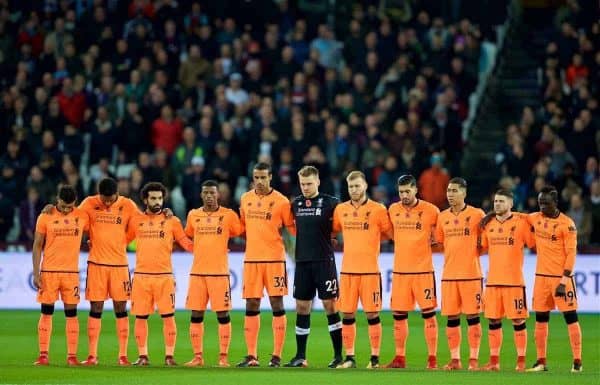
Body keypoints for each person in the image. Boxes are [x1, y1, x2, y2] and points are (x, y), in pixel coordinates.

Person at [126, 182, 193, 366]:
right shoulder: (136, 220)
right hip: (141, 277)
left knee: (168, 317)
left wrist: (206, 249)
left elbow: (186, 243)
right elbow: (122, 240)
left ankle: (169, 356)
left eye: (160, 198)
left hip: (164, 277)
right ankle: (143, 356)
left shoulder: (173, 221)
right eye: (153, 198)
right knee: (140, 317)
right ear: (145, 199)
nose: (157, 202)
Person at [237, 162, 296, 367]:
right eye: (256, 177)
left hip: (274, 260)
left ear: (271, 177)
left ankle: (276, 356)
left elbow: (292, 229)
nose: (260, 181)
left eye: (263, 177)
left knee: (276, 304)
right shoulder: (245, 199)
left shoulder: (281, 201)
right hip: (252, 259)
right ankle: (252, 355)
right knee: (251, 304)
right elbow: (242, 226)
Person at [77, 177, 141, 365]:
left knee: (120, 309)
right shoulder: (89, 203)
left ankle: (122, 356)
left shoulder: (128, 205)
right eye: (103, 199)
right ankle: (92, 355)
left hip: (119, 265)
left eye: (110, 199)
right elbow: (75, 219)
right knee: (96, 308)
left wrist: (123, 241)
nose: (106, 203)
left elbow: (138, 225)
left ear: (117, 194)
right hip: (96, 264)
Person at [332, 171, 392, 369]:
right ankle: (350, 357)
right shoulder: (341, 210)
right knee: (347, 315)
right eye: (351, 187)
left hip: (370, 272)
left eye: (357, 186)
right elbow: (333, 231)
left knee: (372, 315)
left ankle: (374, 359)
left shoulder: (378, 209)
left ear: (365, 186)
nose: (354, 190)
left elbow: (391, 234)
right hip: (348, 271)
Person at [284, 166, 343, 368]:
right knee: (301, 307)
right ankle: (300, 356)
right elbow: (289, 227)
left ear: (317, 182)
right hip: (302, 262)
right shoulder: (296, 204)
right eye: (302, 184)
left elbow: (343, 224)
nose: (306, 187)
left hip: (324, 262)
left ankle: (338, 356)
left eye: (309, 183)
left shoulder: (332, 203)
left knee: (330, 306)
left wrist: (334, 236)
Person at [183, 180, 243, 368]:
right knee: (196, 314)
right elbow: (187, 236)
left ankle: (223, 357)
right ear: (201, 195)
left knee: (223, 314)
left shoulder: (229, 215)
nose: (209, 196)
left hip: (219, 273)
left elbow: (239, 231)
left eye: (212, 193)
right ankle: (197, 357)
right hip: (198, 273)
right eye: (206, 193)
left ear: (219, 195)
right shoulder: (193, 215)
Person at [385, 175, 440, 369]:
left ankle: (432, 359)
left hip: (423, 271)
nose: (404, 195)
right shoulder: (393, 210)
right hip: (400, 272)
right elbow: (390, 233)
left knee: (428, 314)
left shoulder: (431, 211)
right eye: (401, 192)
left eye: (408, 191)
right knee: (399, 315)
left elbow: (440, 235)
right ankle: (400, 358)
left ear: (416, 189)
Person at [526, 186, 582, 373]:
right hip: (541, 278)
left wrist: (564, 281)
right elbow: (514, 216)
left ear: (555, 203)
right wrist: (491, 213)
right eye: (540, 202)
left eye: (546, 203)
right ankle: (541, 361)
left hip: (560, 279)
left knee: (571, 318)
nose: (542, 206)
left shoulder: (567, 224)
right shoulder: (535, 218)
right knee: (541, 319)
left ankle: (577, 362)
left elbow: (571, 254)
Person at [32, 185, 89, 366]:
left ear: (75, 203)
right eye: (63, 206)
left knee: (71, 314)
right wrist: (36, 272)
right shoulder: (46, 216)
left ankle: (72, 356)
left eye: (70, 206)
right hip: (49, 271)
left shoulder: (81, 215)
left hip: (71, 273)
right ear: (57, 200)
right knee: (46, 312)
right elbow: (37, 245)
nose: (66, 210)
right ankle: (43, 355)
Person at [479, 189, 535, 371]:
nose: (497, 204)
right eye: (495, 201)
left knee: (518, 322)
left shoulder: (521, 223)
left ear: (511, 204)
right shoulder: (488, 224)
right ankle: (494, 362)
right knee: (493, 321)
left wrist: (523, 216)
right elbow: (483, 248)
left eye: (501, 201)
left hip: (514, 282)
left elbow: (533, 243)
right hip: (493, 281)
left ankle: (521, 362)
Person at [435, 177, 485, 370]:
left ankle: (473, 360)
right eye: (448, 191)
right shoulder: (442, 216)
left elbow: (483, 243)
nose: (450, 194)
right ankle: (455, 360)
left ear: (464, 193)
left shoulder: (477, 214)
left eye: (455, 191)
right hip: (449, 276)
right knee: (452, 318)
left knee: (473, 317)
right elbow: (440, 243)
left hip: (471, 275)